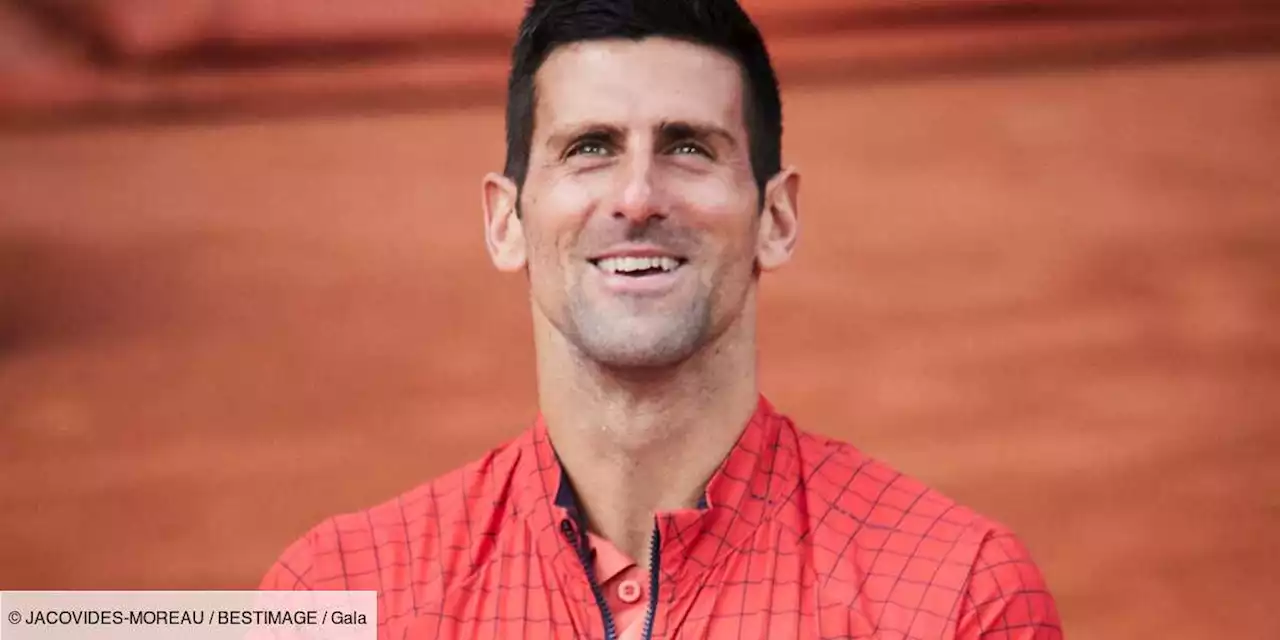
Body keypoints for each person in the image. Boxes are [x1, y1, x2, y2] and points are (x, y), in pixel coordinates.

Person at [259, 1, 1064, 638]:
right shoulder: (336, 596)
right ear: (506, 223)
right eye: (590, 148)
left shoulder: (955, 597)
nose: (638, 197)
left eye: (688, 147)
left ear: (775, 219)